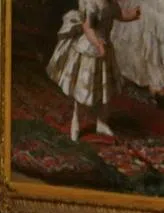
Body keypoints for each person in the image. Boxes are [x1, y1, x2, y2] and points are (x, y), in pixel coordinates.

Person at [47, 0, 142, 142]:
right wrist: (98, 44)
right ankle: (76, 122)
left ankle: (101, 122)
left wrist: (133, 15)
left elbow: (120, 15)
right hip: (90, 50)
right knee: (82, 92)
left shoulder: (111, 4)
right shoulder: (92, 4)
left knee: (105, 90)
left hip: (105, 50)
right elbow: (88, 28)